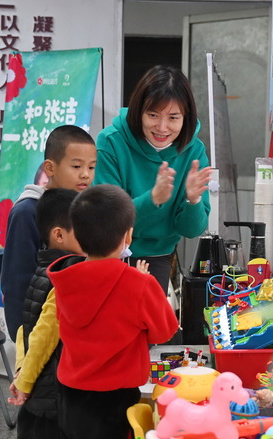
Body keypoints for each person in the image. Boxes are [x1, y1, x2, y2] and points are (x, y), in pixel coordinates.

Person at [47, 184, 179, 439]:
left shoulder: (65, 279)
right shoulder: (139, 283)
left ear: (78, 235)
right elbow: (165, 331)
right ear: (128, 236)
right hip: (113, 401)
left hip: (68, 396)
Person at [95, 65, 213, 294]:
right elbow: (107, 220)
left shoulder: (194, 151)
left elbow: (192, 231)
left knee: (148, 315)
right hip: (110, 253)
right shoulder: (111, 142)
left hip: (159, 255)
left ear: (186, 117)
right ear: (138, 111)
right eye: (153, 115)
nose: (162, 127)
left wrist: (193, 201)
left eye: (173, 117)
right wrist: (152, 199)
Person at [7, 188, 83, 439]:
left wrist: (22, 373)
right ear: (59, 235)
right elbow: (43, 334)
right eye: (84, 228)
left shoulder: (44, 269)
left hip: (39, 390)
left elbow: (26, 330)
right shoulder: (69, 273)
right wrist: (25, 381)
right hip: (53, 395)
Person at [1, 125, 96, 343]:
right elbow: (16, 281)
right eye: (76, 166)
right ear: (50, 168)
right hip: (40, 332)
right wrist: (23, 337)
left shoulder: (84, 209)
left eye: (91, 167)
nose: (85, 174)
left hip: (74, 325)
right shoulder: (27, 211)